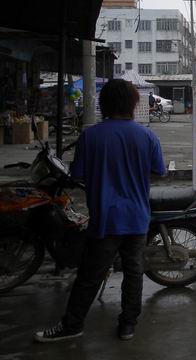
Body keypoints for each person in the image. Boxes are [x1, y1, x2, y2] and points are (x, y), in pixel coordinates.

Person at [35, 79, 165, 343]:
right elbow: (158, 172)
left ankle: (73, 325)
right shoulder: (147, 136)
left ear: (104, 103)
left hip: (106, 218)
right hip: (138, 217)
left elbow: (77, 174)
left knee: (90, 274)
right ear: (132, 103)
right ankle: (128, 325)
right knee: (133, 272)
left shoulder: (91, 136)